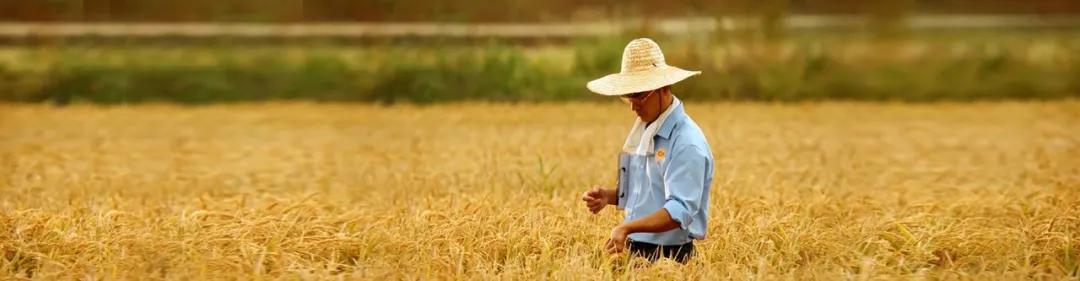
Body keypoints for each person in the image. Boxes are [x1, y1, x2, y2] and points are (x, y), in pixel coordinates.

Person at [581, 38, 714, 263]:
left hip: (670, 258)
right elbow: (643, 192)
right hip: (634, 249)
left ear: (663, 88)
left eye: (639, 95)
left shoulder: (686, 143)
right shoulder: (645, 128)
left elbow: (679, 211)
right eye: (628, 96)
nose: (633, 105)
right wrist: (609, 196)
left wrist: (626, 228)